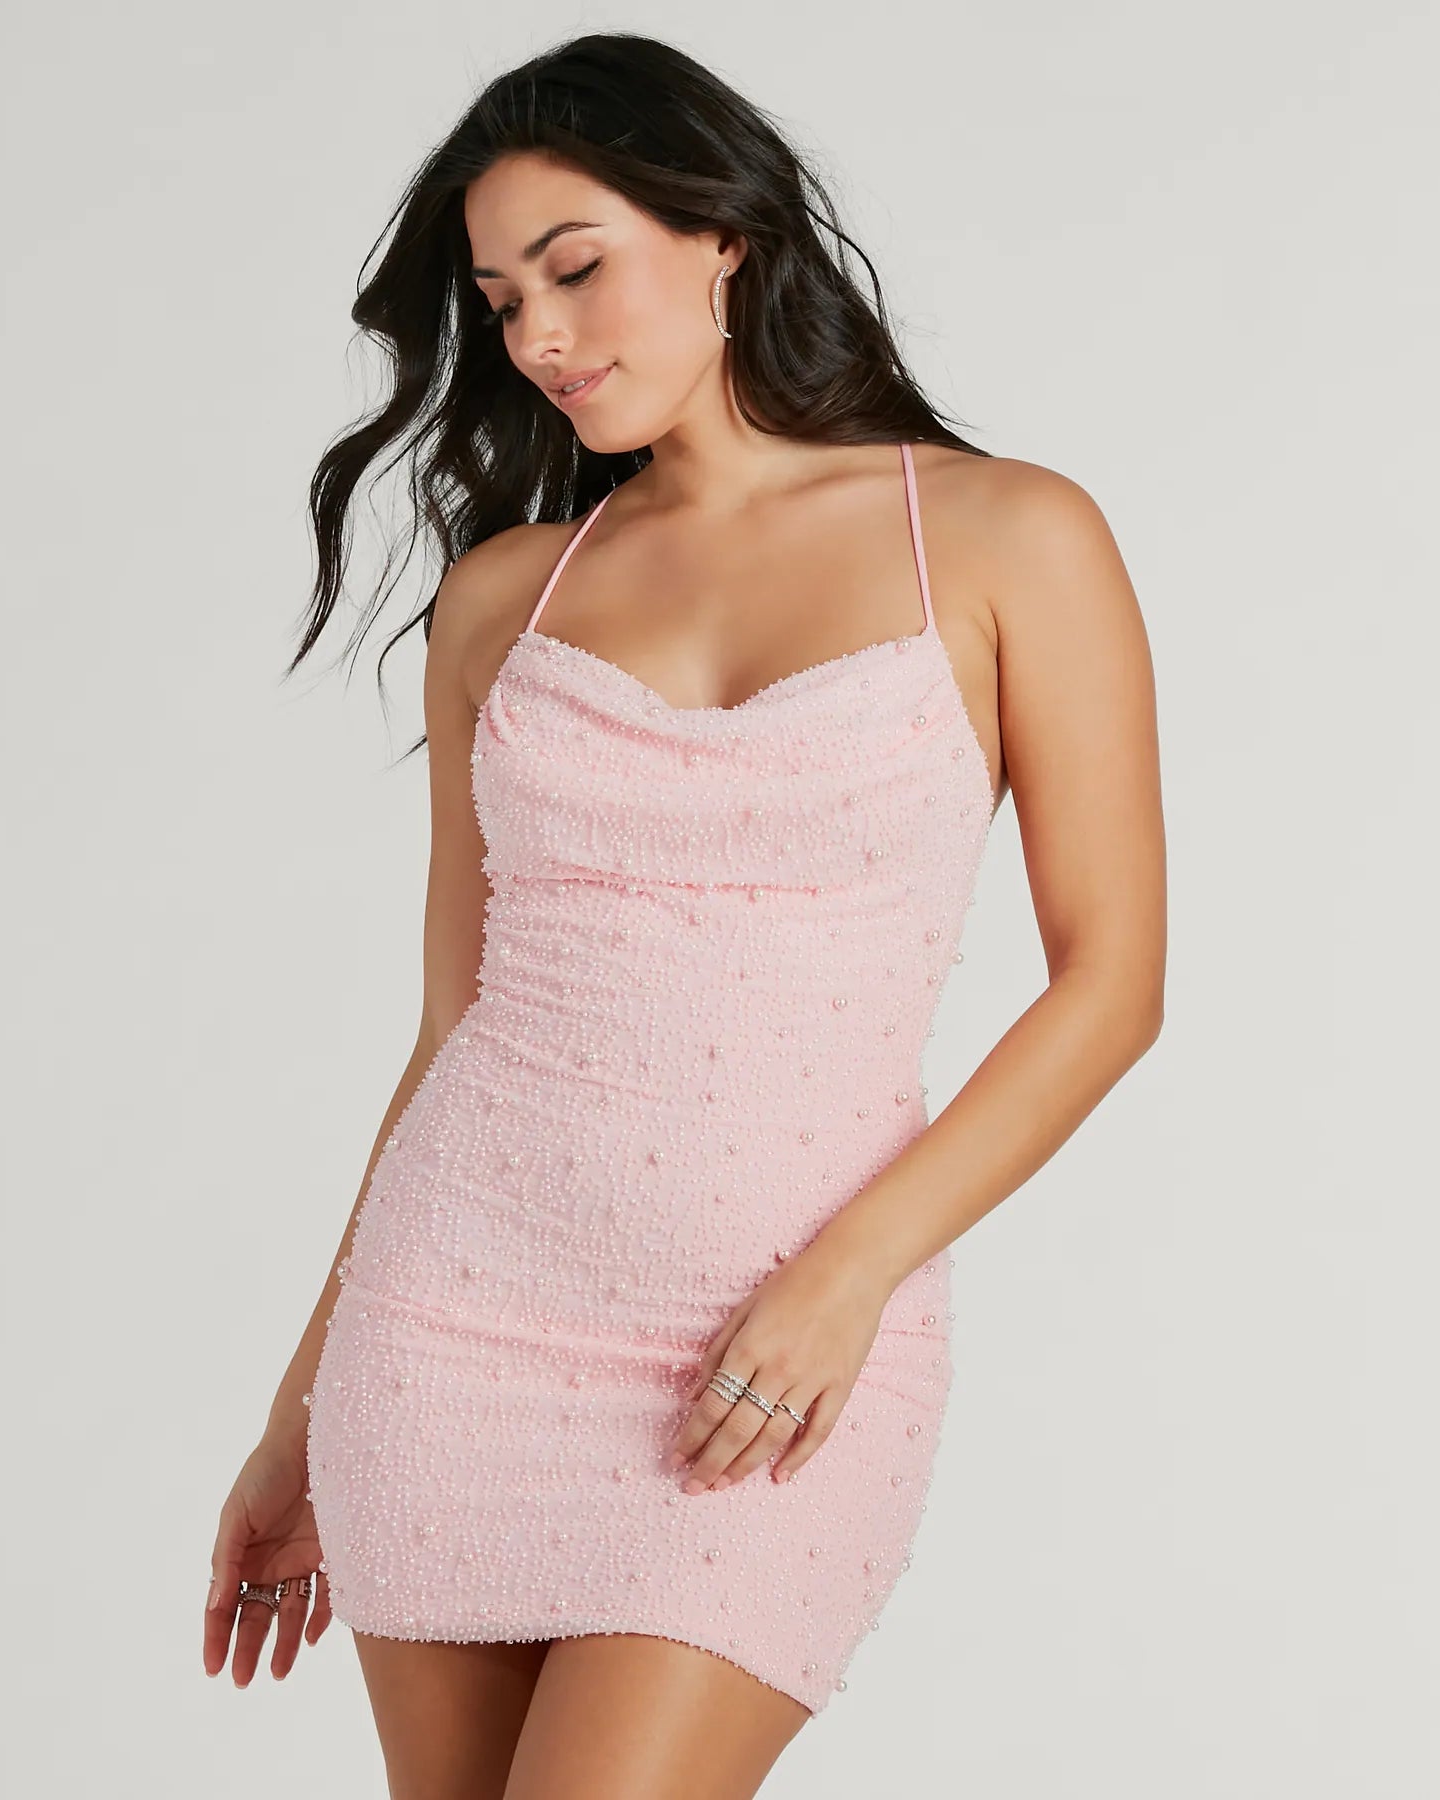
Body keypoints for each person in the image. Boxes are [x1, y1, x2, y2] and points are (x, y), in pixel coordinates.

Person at [203, 30, 1165, 1800]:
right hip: (451, 1330)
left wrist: (848, 1276)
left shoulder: (1007, 536)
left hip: (779, 1346)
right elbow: (451, 1024)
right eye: (501, 302)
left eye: (575, 268)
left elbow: (1108, 985)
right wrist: (299, 1413)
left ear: (724, 235)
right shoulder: (504, 595)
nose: (538, 338)